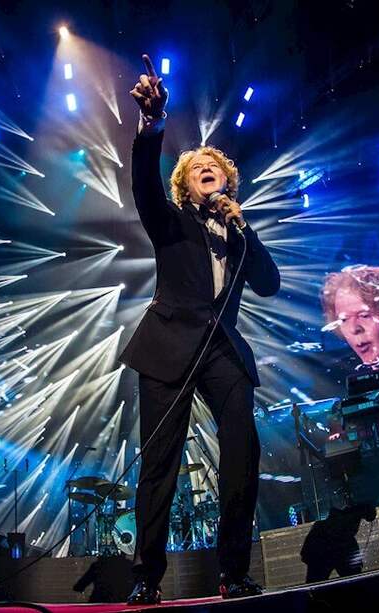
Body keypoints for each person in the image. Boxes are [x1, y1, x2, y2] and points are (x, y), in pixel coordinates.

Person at [119, 54, 280, 604]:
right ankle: (146, 578)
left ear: (227, 181)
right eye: (197, 169)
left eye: (216, 168)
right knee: (160, 463)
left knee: (242, 449)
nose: (208, 170)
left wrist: (243, 227)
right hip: (167, 345)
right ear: (185, 186)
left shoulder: (235, 231)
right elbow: (143, 180)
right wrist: (153, 124)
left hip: (221, 352)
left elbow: (269, 284)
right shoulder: (171, 220)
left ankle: (233, 571)